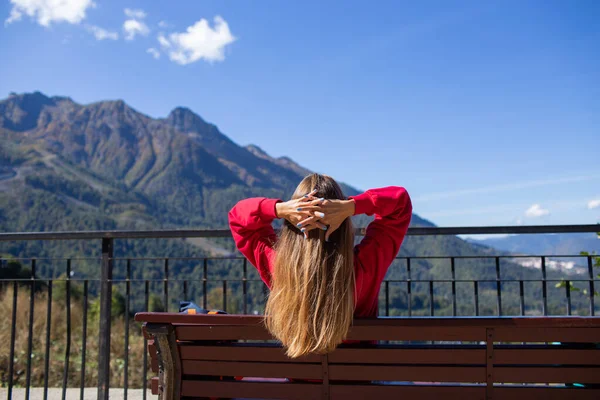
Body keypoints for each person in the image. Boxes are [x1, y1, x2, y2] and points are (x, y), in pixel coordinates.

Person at [228, 173, 412, 358]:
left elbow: (238, 218)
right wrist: (352, 206)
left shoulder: (278, 267)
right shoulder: (366, 265)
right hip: (357, 383)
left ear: (292, 222)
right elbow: (400, 203)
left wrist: (278, 209)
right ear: (343, 223)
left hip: (301, 385)